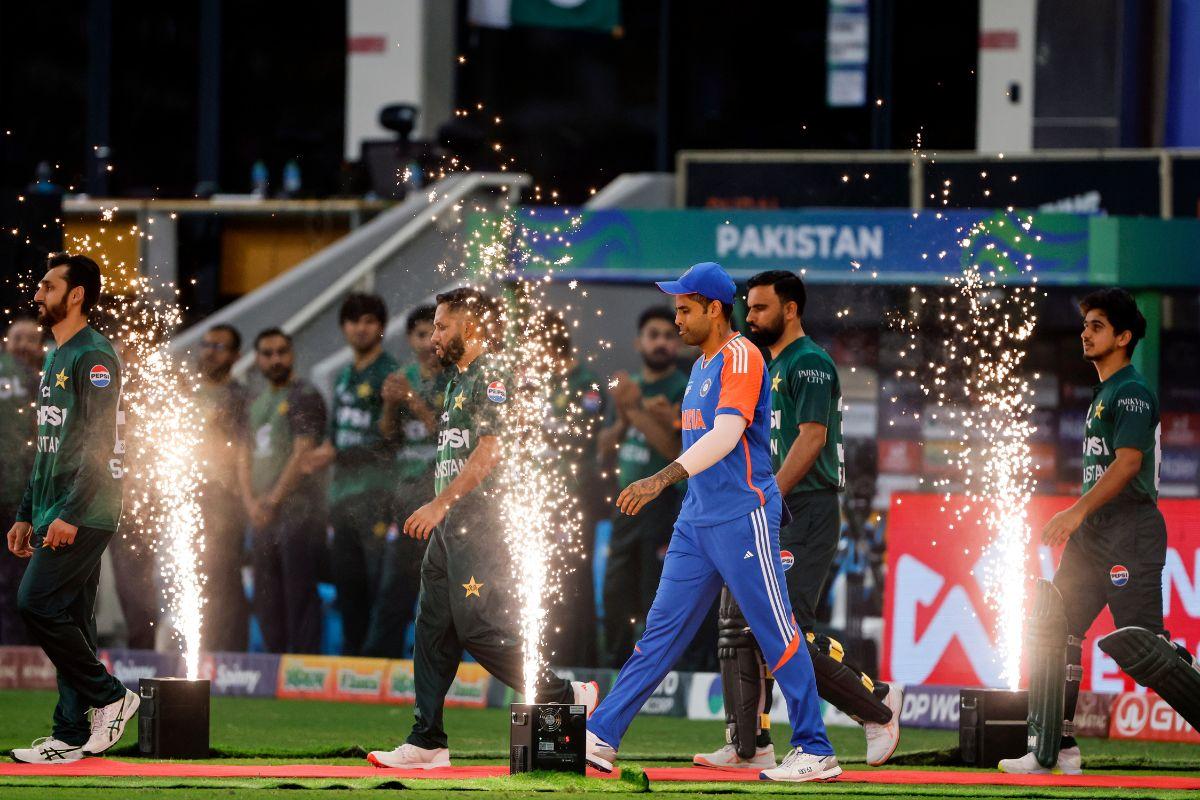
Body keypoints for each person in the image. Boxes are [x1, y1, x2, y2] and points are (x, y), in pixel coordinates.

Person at [585, 262, 839, 783]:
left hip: (743, 516)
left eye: (685, 310)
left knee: (776, 630)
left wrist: (660, 479)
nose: (677, 319)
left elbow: (726, 435)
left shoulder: (741, 356)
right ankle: (601, 735)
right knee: (660, 632)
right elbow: (705, 442)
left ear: (715, 309)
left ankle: (815, 748)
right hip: (697, 520)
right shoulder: (703, 365)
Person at [367, 287, 597, 770]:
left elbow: (491, 450)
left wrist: (440, 503)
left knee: (476, 626)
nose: (433, 337)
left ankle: (563, 692)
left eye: (442, 326)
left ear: (470, 326)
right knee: (431, 628)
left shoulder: (493, 374)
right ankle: (427, 740)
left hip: (481, 522)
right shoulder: (457, 380)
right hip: (452, 525)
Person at [693, 270, 902, 771]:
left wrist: (767, 497)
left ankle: (876, 707)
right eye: (748, 307)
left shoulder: (808, 362)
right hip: (775, 508)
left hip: (804, 508)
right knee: (741, 622)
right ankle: (749, 745)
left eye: (761, 307)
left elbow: (812, 438)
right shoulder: (768, 364)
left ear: (790, 310)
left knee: (783, 627)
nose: (749, 316)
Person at [1001, 288, 1200, 775]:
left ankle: (1187, 673)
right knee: (1055, 628)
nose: (1085, 334)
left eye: (1097, 326)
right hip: (1094, 534)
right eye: (1085, 324)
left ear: (1124, 337)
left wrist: (1075, 511)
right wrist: (1083, 518)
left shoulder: (1130, 392)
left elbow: (1128, 464)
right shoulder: (1105, 393)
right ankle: (1055, 748)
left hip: (1129, 530)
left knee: (1142, 646)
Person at [7, 253, 137, 763]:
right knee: (73, 620)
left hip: (83, 509)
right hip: (54, 508)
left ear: (76, 294)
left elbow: (101, 446)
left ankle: (111, 696)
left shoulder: (95, 356)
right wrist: (26, 512)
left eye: (48, 286)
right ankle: (68, 734)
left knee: (35, 602)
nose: (37, 294)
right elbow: (46, 447)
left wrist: (69, 513)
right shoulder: (56, 355)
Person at [303, 293, 400, 656]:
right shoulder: (344, 375)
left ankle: (378, 664)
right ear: (344, 328)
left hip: (377, 494)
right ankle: (353, 661)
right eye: (354, 321)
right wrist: (320, 455)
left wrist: (335, 454)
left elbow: (390, 440)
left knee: (377, 587)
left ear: (381, 327)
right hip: (341, 495)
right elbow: (336, 435)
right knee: (348, 586)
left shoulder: (391, 373)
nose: (361, 328)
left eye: (370, 321)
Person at [597, 307, 687, 667]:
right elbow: (603, 447)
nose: (661, 342)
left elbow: (676, 451)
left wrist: (635, 411)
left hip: (663, 507)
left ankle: (655, 672)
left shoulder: (684, 387)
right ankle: (612, 673)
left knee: (655, 595)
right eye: (654, 335)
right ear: (639, 342)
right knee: (615, 593)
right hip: (624, 506)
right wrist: (624, 417)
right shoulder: (627, 387)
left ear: (678, 344)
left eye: (669, 335)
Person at [243, 328, 326, 654]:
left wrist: (273, 500)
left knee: (298, 589)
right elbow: (242, 456)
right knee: (266, 593)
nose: (275, 359)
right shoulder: (256, 402)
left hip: (297, 507)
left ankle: (303, 665)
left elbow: (303, 451)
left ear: (292, 355)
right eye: (267, 353)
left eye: (281, 352)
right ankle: (273, 663)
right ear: (257, 359)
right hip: (261, 512)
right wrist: (251, 503)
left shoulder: (305, 394)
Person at [370, 304, 445, 658]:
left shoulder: (457, 378)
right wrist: (389, 404)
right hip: (405, 498)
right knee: (394, 588)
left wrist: (413, 401)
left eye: (435, 332)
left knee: (437, 590)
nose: (429, 341)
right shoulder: (402, 377)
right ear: (410, 340)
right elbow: (387, 437)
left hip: (441, 500)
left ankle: (432, 662)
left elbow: (446, 435)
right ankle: (378, 664)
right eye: (421, 334)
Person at [539, 309, 606, 668]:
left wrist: (538, 431)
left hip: (576, 495)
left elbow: (582, 437)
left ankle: (584, 661)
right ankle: (551, 657)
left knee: (574, 579)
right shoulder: (539, 383)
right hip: (542, 497)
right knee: (546, 577)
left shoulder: (586, 384)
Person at [194, 323, 251, 652]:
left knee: (224, 577)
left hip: (224, 498)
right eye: (206, 344)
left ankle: (230, 654)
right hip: (191, 495)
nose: (210, 352)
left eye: (219, 347)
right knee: (197, 576)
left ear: (235, 355)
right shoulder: (188, 392)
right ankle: (201, 647)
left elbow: (244, 452)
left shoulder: (240, 397)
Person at [0, 316, 40, 645]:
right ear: (5, 343)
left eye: (31, 339)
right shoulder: (39, 380)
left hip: (26, 499)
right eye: (18, 338)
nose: (24, 345)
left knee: (19, 581)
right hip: (22, 498)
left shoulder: (45, 379)